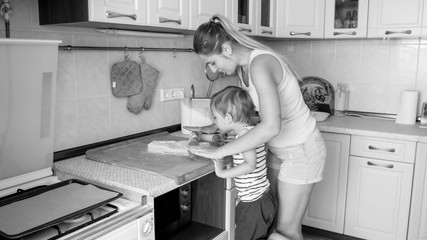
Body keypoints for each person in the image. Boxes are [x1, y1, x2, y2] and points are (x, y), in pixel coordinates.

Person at [186, 14, 327, 240]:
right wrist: (217, 127)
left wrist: (220, 151)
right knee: (269, 225)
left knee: (286, 231)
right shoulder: (243, 70)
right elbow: (255, 117)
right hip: (279, 150)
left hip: (301, 151)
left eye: (212, 62)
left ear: (226, 49)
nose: (214, 69)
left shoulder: (260, 64)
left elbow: (271, 126)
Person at [207, 86, 276, 240]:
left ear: (228, 119)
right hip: (263, 199)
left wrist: (222, 173)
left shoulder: (244, 135)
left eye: (215, 117)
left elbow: (250, 164)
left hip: (253, 204)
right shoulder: (251, 132)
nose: (214, 121)